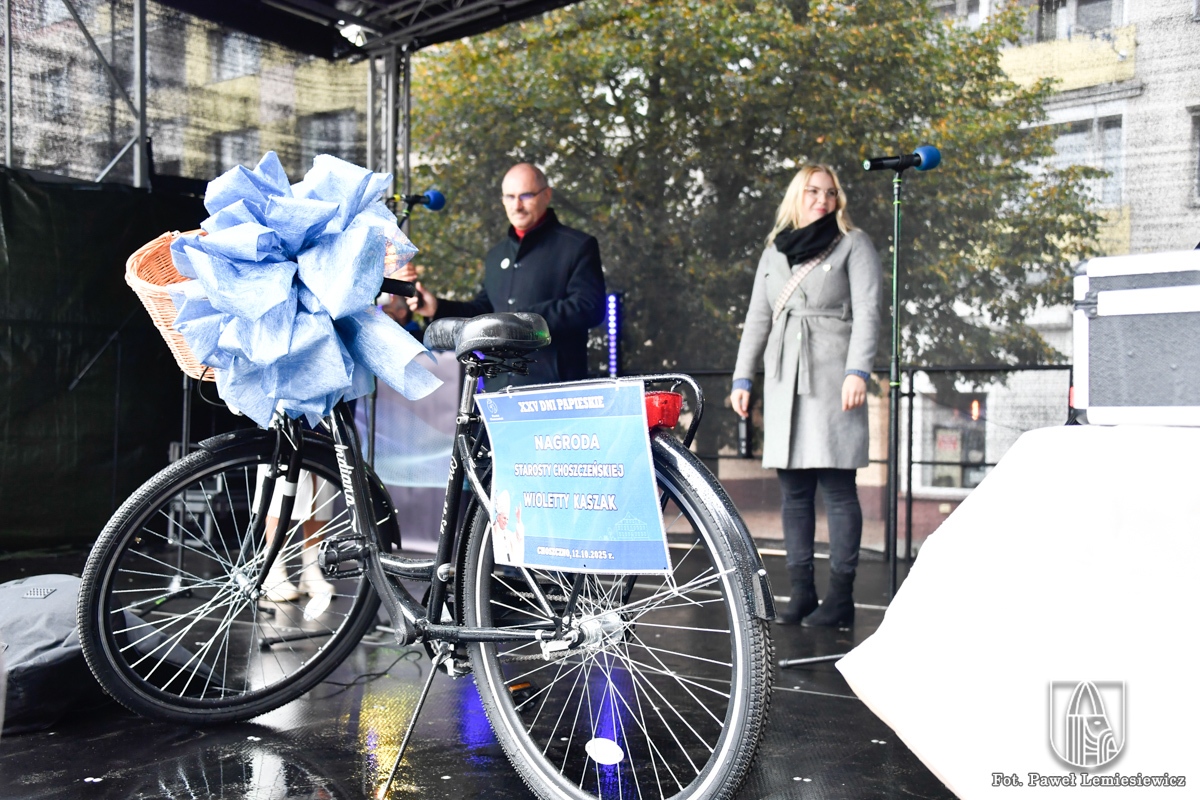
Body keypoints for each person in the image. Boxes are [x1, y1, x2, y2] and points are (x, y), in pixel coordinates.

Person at [730, 164, 882, 628]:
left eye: (831, 192)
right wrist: (742, 378)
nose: (823, 199)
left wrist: (858, 371)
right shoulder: (774, 251)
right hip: (783, 378)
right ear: (797, 195)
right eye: (813, 191)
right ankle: (802, 593)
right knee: (794, 492)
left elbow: (869, 311)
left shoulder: (853, 243)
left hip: (833, 374)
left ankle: (840, 598)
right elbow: (758, 317)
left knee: (837, 487)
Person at [405, 163, 606, 387]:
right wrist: (437, 308)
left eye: (526, 196)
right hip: (497, 388)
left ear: (547, 195)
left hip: (553, 387)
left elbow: (590, 307)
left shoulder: (577, 246)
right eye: (510, 197)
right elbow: (484, 312)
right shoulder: (496, 255)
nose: (517, 206)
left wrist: (522, 321)